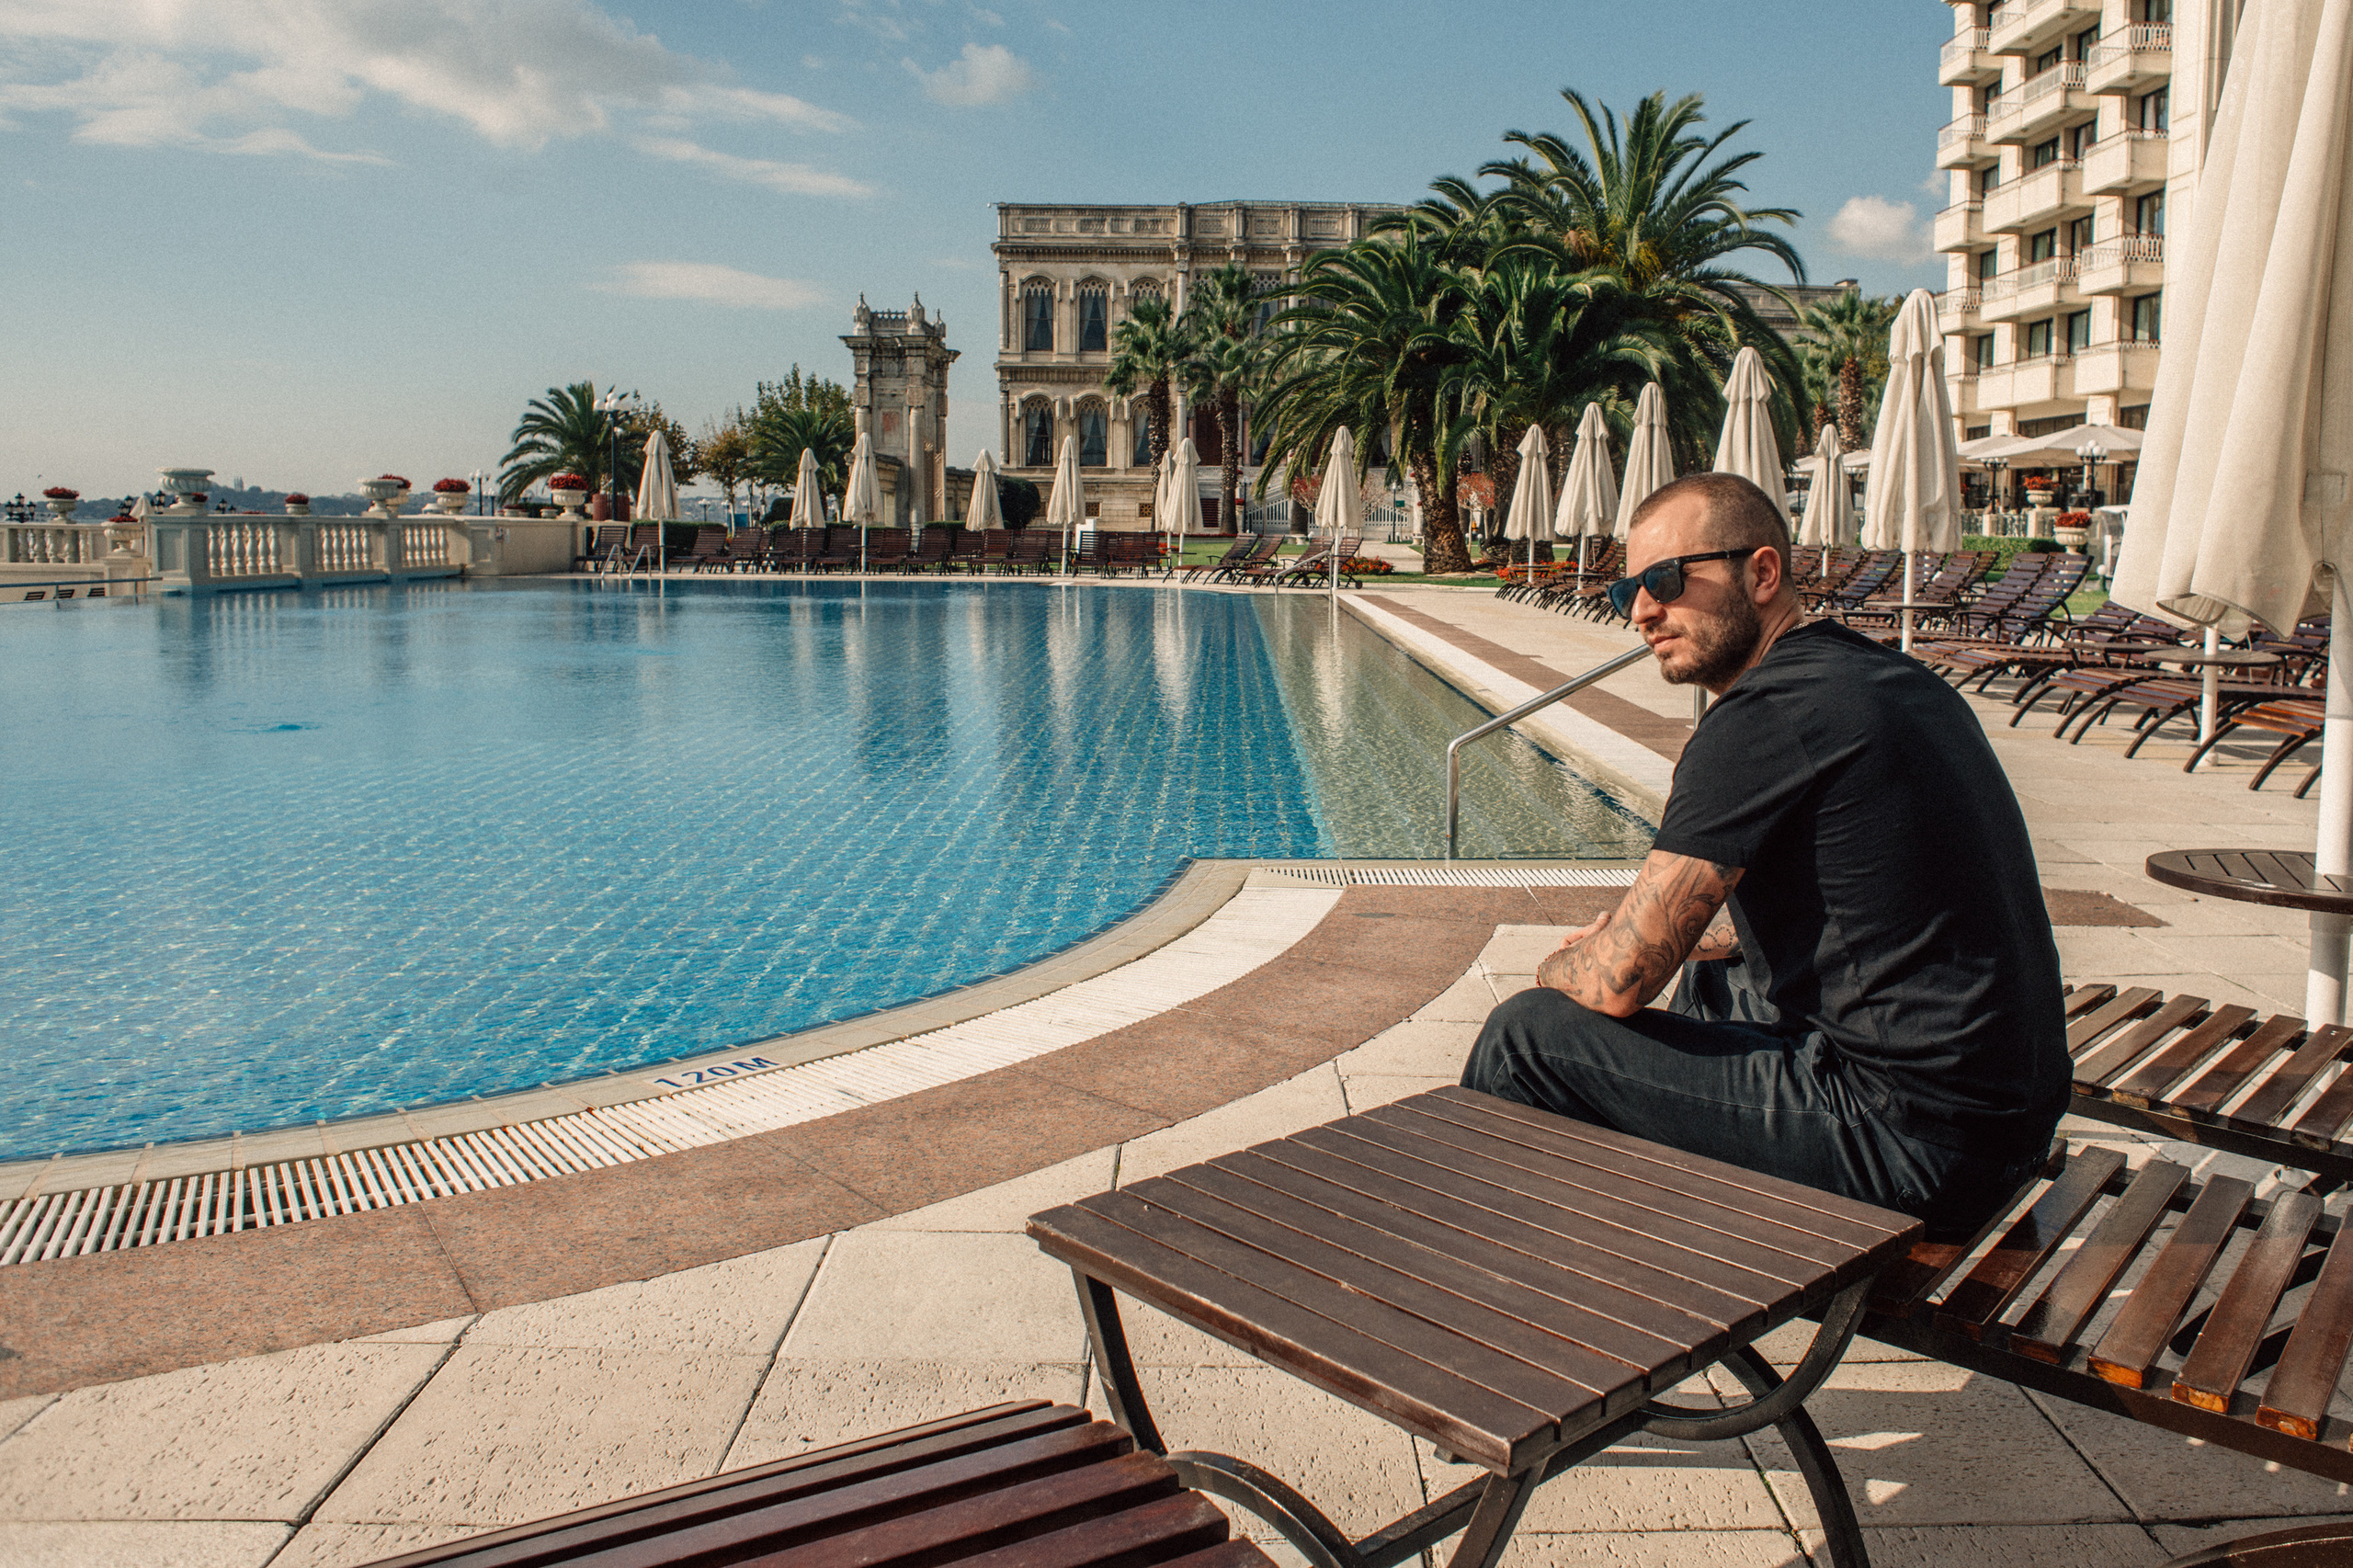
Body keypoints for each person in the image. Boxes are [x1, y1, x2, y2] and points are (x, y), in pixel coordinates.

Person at [1460, 472, 2066, 1236]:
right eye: (1627, 594)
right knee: (1718, 980)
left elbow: (1619, 983)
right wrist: (1683, 947)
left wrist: (1569, 965)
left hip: (1916, 1148)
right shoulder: (1887, 679)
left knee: (1526, 1037)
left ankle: (1475, 1277)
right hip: (2006, 1122)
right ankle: (1642, 1231)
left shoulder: (1763, 717)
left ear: (1764, 572)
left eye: (1667, 580)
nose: (1643, 610)